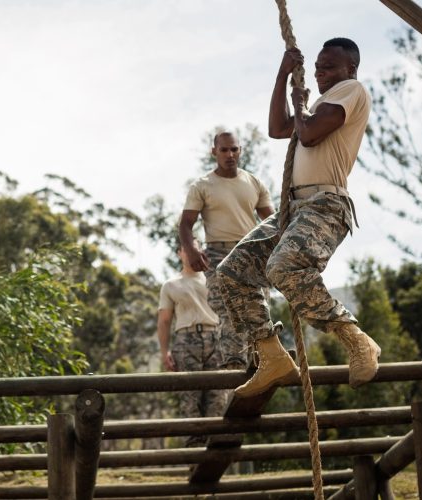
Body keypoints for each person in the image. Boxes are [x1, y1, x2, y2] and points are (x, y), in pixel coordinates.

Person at [216, 38, 380, 398]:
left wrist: (299, 100)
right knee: (231, 272)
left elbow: (307, 136)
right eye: (318, 68)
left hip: (326, 205)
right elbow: (278, 128)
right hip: (293, 209)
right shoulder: (318, 106)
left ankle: (355, 338)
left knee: (283, 267)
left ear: (350, 69)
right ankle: (271, 355)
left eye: (329, 67)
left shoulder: (351, 91)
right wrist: (282, 76)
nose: (320, 73)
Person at [178, 131, 274, 370]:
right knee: (228, 307)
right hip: (218, 253)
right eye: (224, 150)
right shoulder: (202, 185)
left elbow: (272, 221)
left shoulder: (254, 183)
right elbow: (186, 224)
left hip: (251, 251)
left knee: (259, 308)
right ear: (214, 152)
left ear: (240, 151)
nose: (230, 154)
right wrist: (192, 249)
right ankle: (233, 363)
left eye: (234, 149)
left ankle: (261, 362)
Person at [157, 240, 225, 447]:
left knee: (217, 395)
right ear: (180, 253)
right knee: (190, 396)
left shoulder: (213, 279)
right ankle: (195, 449)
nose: (191, 252)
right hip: (186, 341)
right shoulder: (171, 285)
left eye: (195, 248)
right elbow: (164, 320)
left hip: (215, 337)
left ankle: (215, 446)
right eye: (187, 249)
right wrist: (164, 352)